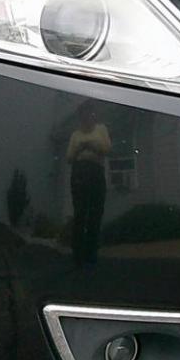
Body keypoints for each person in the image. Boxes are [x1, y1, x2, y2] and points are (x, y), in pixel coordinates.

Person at [64, 102, 111, 263]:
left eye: (90, 114)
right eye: (83, 114)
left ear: (93, 115)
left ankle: (91, 254)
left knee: (95, 213)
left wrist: (91, 145)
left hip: (96, 172)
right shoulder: (75, 135)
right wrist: (80, 148)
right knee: (80, 213)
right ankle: (77, 254)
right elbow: (69, 157)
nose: (87, 117)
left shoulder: (101, 129)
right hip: (79, 173)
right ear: (80, 117)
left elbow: (106, 149)